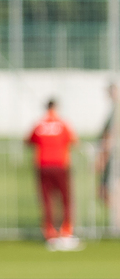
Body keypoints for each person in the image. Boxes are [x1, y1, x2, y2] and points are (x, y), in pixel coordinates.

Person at [25, 99, 80, 251]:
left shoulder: (39, 124)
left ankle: (50, 233)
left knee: (47, 200)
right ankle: (66, 232)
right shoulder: (62, 124)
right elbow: (74, 140)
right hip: (60, 165)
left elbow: (28, 140)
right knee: (65, 200)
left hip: (43, 165)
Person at [97, 82, 118, 208]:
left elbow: (112, 133)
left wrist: (103, 155)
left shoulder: (117, 109)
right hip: (110, 153)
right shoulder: (114, 108)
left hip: (113, 154)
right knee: (104, 190)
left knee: (108, 189)